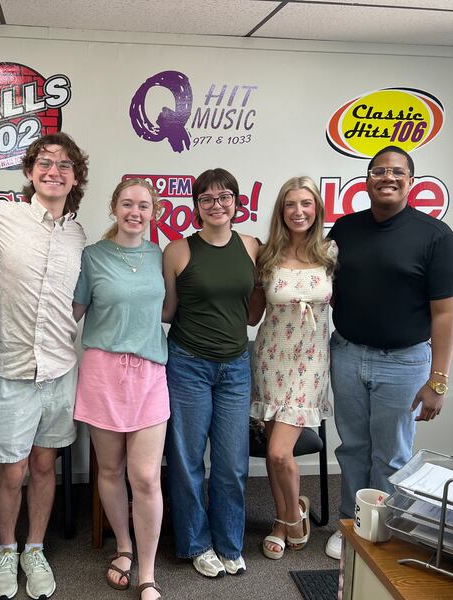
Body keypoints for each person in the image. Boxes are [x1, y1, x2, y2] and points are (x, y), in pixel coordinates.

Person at [324, 146, 453, 559]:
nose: (387, 177)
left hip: (404, 363)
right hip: (347, 354)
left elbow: (444, 316)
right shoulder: (345, 229)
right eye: (378, 170)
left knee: (391, 455)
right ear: (367, 179)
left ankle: (379, 528)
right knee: (352, 447)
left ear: (411, 181)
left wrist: (438, 380)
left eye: (396, 171)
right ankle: (351, 524)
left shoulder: (436, 237)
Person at [0, 132, 88, 600]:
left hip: (60, 370)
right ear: (28, 171)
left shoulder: (80, 234)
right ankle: (6, 549)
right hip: (13, 370)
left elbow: (79, 301)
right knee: (12, 470)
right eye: (45, 162)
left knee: (45, 465)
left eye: (65, 165)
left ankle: (34, 548)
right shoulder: (0, 217)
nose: (53, 171)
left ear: (76, 177)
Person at [162, 168, 260, 578]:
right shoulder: (178, 250)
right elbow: (167, 311)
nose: (216, 204)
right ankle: (195, 543)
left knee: (232, 463)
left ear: (237, 202)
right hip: (188, 364)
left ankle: (229, 543)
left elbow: (254, 310)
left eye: (224, 197)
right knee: (186, 461)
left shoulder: (253, 246)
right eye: (207, 198)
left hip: (236, 366)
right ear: (196, 205)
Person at [72, 179, 168, 600]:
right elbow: (72, 314)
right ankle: (124, 548)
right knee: (109, 471)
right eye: (127, 203)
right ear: (114, 207)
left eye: (143, 205)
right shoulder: (92, 257)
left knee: (145, 477)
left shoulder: (161, 257)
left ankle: (147, 571)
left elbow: (168, 309)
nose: (135, 211)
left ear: (154, 211)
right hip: (102, 373)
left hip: (149, 374)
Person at [250, 176, 337, 560]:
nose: (298, 211)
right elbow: (252, 314)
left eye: (305, 203)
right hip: (271, 359)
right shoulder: (266, 255)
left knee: (280, 453)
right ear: (280, 211)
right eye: (290, 204)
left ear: (316, 208)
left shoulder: (331, 253)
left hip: (310, 363)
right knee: (273, 451)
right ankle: (290, 515)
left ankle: (287, 521)